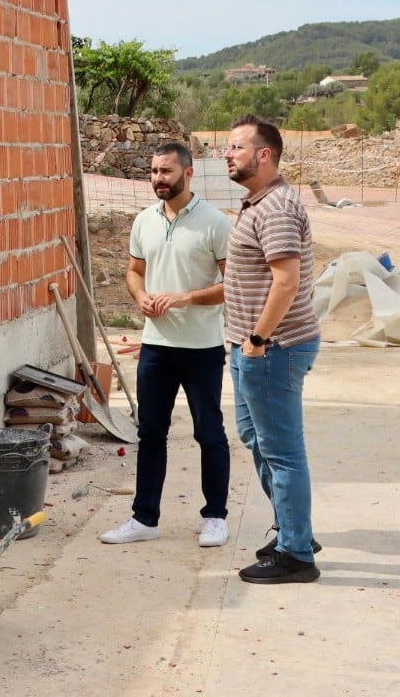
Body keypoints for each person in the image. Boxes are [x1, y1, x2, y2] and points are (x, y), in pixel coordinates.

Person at [100, 141, 234, 549]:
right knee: (151, 433)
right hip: (155, 347)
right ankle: (145, 518)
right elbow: (134, 271)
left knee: (209, 432)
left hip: (202, 348)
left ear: (188, 173)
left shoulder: (215, 223)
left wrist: (185, 297)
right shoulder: (144, 221)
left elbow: (233, 284)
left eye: (166, 172)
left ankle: (215, 517)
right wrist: (140, 298)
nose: (158, 179)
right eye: (154, 171)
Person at [223, 114, 323, 585]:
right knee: (256, 438)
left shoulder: (277, 207)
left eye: (238, 147)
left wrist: (257, 341)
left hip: (273, 348)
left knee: (282, 451)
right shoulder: (257, 202)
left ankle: (296, 554)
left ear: (265, 155)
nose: (228, 153)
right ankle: (293, 526)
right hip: (254, 349)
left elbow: (286, 281)